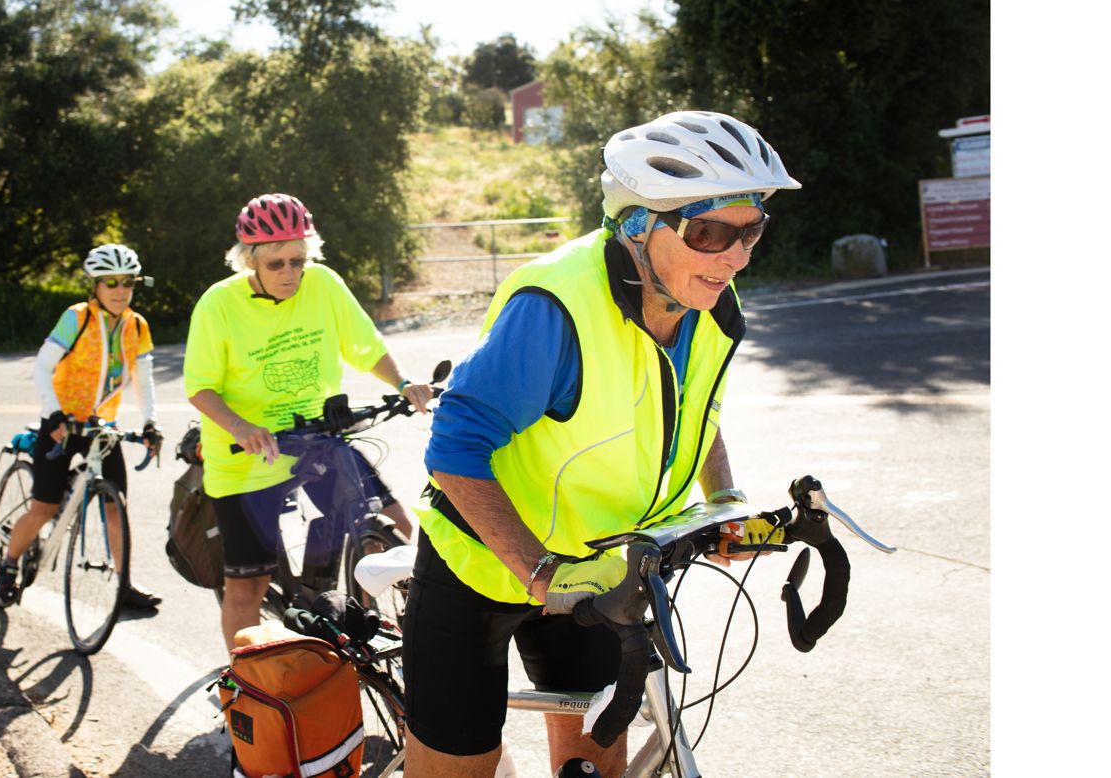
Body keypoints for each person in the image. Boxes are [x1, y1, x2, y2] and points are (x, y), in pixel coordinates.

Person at [403, 111, 801, 777]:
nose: (735, 257)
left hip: (593, 571)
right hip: (478, 569)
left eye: (752, 230)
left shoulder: (708, 304)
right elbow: (454, 450)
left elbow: (689, 412)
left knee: (596, 766)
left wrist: (725, 504)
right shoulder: (557, 309)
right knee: (459, 767)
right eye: (709, 232)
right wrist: (537, 572)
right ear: (639, 227)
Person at [183, 193, 435, 651]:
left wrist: (403, 382)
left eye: (297, 260)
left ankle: (361, 629)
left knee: (394, 525)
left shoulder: (323, 285)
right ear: (249, 262)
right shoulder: (218, 305)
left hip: (316, 438)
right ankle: (244, 683)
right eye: (275, 263)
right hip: (246, 458)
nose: (289, 273)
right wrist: (241, 427)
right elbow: (200, 387)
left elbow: (365, 347)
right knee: (248, 585)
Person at [0, 244, 166, 611]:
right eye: (111, 283)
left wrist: (150, 422)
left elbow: (143, 378)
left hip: (102, 428)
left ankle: (123, 586)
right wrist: (54, 414)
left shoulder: (137, 325)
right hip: (62, 424)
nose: (120, 291)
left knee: (115, 508)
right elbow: (42, 367)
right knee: (44, 507)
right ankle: (8, 563)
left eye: (128, 283)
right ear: (96, 286)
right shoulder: (77, 318)